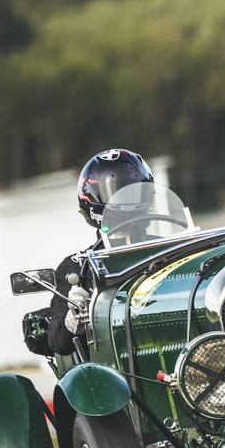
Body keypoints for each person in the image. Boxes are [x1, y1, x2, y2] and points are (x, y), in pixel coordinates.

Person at [48, 149, 154, 355]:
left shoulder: (169, 248)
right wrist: (74, 315)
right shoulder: (76, 267)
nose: (127, 202)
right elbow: (58, 343)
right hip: (108, 370)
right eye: (118, 194)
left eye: (133, 192)